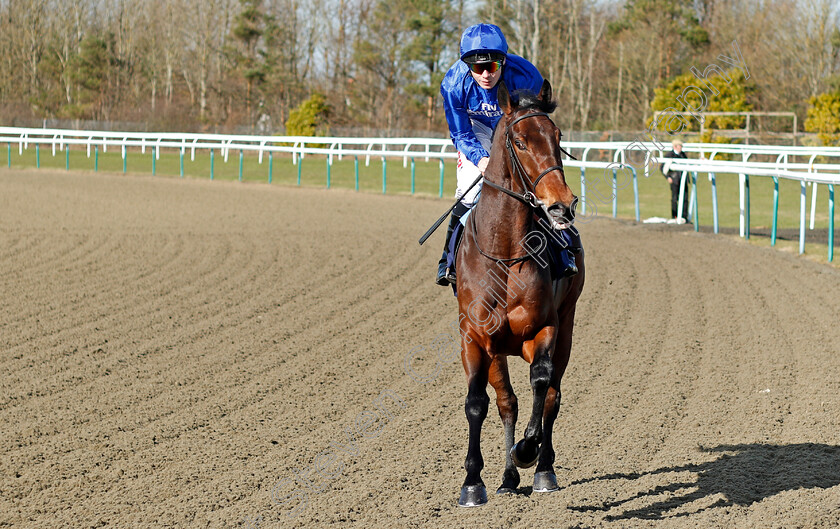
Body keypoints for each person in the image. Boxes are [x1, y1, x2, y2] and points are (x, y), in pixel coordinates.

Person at [436, 23, 555, 286]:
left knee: (541, 183)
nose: (486, 74)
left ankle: (562, 249)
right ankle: (448, 259)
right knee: (468, 191)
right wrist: (481, 159)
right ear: (467, 65)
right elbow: (460, 134)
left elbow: (536, 123)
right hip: (475, 130)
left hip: (515, 127)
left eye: (492, 66)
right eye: (478, 68)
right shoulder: (454, 84)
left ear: (504, 61)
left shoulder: (526, 76)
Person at [661, 139, 689, 222]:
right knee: (674, 199)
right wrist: (668, 177)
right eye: (679, 146)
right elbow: (662, 167)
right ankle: (675, 216)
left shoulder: (683, 155)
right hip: (675, 180)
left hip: (683, 179)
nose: (681, 148)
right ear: (674, 147)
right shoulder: (669, 155)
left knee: (685, 199)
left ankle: (684, 217)